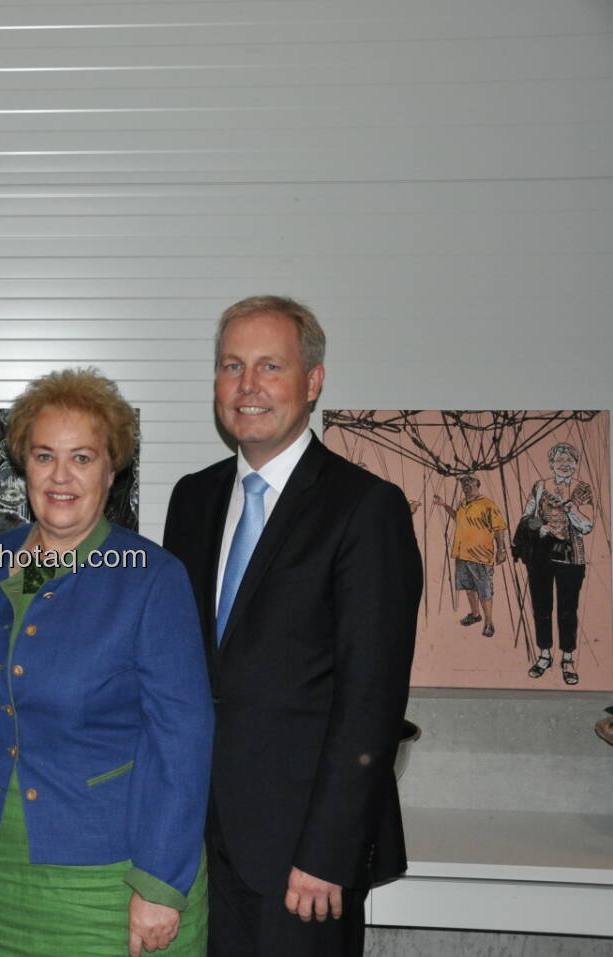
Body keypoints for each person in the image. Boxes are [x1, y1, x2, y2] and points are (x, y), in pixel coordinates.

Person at [162, 296, 421, 957]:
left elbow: (372, 697)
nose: (247, 387)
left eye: (269, 365)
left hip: (303, 859)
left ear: (313, 381)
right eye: (231, 366)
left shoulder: (365, 508)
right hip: (198, 843)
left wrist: (328, 853)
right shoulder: (191, 499)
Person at [0, 369, 214, 957]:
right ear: (23, 465)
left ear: (111, 470)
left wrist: (160, 884)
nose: (61, 476)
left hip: (110, 877)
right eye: (45, 456)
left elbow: (183, 740)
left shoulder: (152, 578)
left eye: (83, 457)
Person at [519, 442, 594, 685]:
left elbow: (587, 526)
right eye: (559, 460)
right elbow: (526, 517)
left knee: (567, 610)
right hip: (541, 557)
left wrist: (571, 509)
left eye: (569, 460)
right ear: (551, 464)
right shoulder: (540, 487)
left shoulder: (583, 489)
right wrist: (542, 528)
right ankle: (544, 655)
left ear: (576, 464)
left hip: (571, 558)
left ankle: (568, 659)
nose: (564, 464)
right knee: (541, 608)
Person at [431, 475, 507, 637]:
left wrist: (501, 549)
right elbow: (457, 518)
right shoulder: (462, 503)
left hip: (481, 556)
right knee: (468, 588)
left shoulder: (488, 504)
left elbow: (499, 528)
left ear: (477, 484)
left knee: (484, 590)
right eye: (463, 482)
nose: (466, 485)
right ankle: (475, 615)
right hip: (462, 554)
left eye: (470, 482)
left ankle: (489, 622)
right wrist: (444, 505)